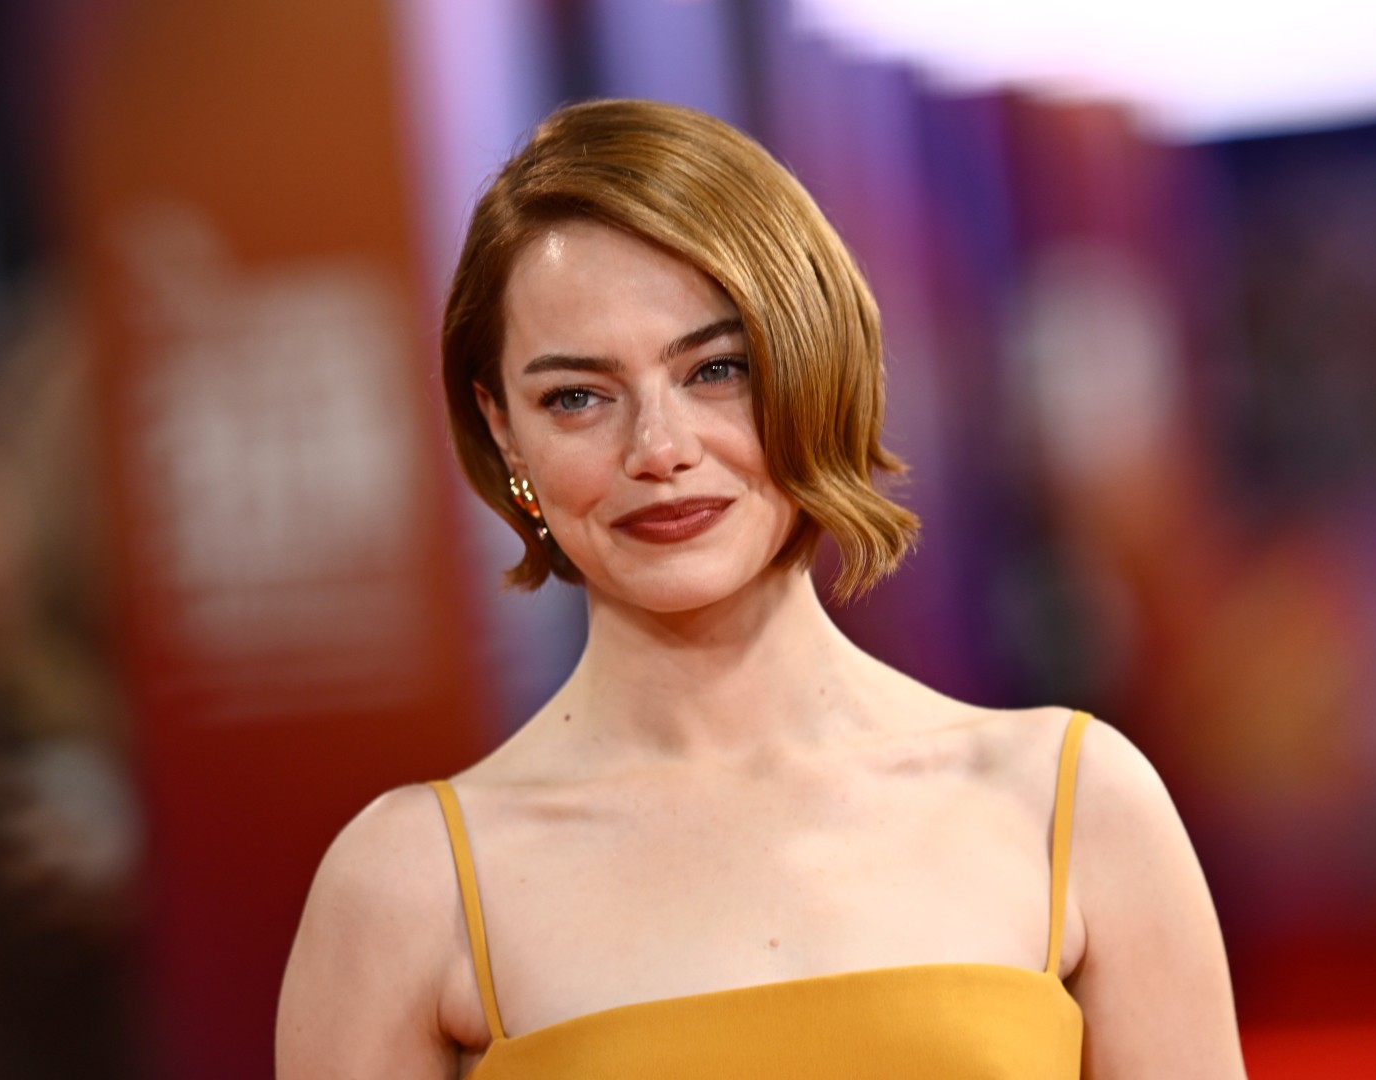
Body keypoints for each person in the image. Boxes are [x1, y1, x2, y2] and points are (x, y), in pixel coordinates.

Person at [277, 98, 1245, 1079]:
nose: (660, 450)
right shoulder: (409, 885)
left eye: (716, 370)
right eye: (577, 396)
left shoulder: (1067, 803)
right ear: (501, 429)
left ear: (815, 361)